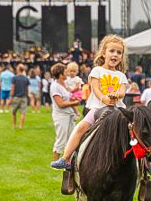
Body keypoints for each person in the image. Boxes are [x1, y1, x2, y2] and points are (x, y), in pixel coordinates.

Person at [50, 35, 128, 171]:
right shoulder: (97, 71)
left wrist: (117, 95)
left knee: (134, 131)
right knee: (81, 128)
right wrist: (105, 99)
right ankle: (66, 158)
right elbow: (95, 88)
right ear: (104, 53)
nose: (115, 55)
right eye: (112, 51)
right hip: (98, 108)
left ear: (122, 56)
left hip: (118, 110)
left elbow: (122, 91)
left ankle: (147, 163)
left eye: (119, 52)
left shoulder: (121, 76)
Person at [49, 63, 78, 161]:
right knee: (61, 139)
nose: (67, 74)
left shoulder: (64, 84)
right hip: (61, 116)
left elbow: (68, 98)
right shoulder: (55, 86)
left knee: (71, 139)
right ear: (61, 74)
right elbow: (60, 104)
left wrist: (73, 100)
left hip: (69, 115)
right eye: (65, 72)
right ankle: (56, 162)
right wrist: (73, 102)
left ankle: (68, 162)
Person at [10, 64, 30, 130]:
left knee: (13, 112)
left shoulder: (14, 78)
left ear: (18, 70)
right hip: (24, 97)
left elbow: (13, 88)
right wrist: (27, 95)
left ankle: (14, 125)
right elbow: (27, 89)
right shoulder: (26, 79)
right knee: (23, 113)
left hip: (16, 97)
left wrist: (10, 96)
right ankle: (21, 126)